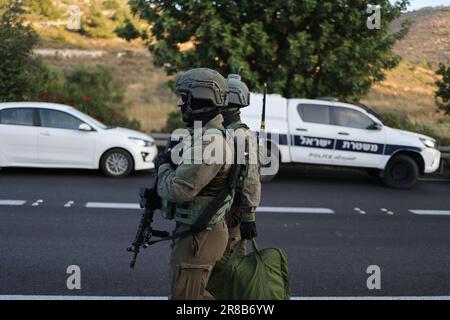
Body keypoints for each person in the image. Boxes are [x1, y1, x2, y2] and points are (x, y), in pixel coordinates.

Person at [156, 68, 234, 300]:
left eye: (185, 97)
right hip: (198, 230)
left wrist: (163, 167)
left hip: (200, 235)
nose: (179, 103)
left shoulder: (210, 141)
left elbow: (179, 189)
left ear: (201, 98)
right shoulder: (202, 134)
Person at [222, 73, 261, 253]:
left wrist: (249, 217)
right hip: (220, 207)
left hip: (232, 210)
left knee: (233, 262)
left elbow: (251, 178)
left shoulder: (242, 136)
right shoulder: (220, 131)